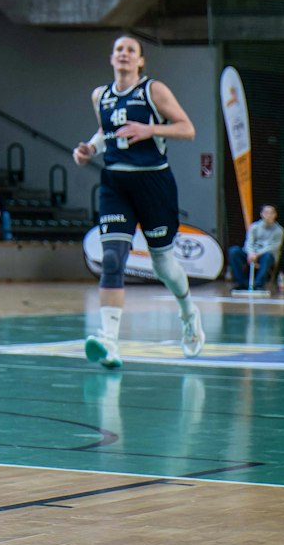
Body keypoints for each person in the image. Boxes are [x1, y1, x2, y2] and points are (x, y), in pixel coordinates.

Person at [74, 36, 204, 368]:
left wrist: (149, 130)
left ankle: (189, 312)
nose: (124, 55)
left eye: (131, 50)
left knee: (163, 264)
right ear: (111, 57)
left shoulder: (153, 91)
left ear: (140, 61)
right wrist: (89, 149)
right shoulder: (99, 96)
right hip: (115, 183)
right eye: (119, 49)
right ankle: (110, 343)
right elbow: (106, 133)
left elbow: (187, 129)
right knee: (113, 259)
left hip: (153, 181)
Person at [229, 204, 284, 293]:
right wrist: (251, 253)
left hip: (265, 255)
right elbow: (248, 242)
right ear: (261, 214)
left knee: (268, 256)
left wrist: (257, 254)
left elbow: (273, 246)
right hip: (250, 254)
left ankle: (259, 285)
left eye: (271, 213)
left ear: (275, 215)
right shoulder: (254, 227)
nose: (269, 215)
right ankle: (241, 283)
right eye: (266, 213)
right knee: (234, 251)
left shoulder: (279, 230)